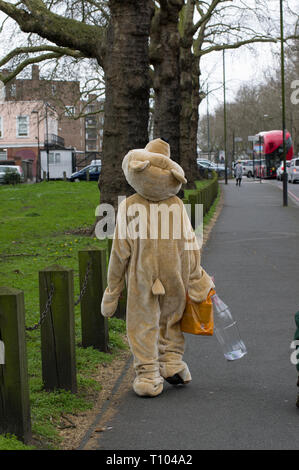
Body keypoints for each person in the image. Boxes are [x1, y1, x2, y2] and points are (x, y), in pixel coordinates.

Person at [101, 138, 215, 397]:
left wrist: (113, 288)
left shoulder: (128, 206)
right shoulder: (176, 205)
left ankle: (149, 372)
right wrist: (196, 277)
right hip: (175, 274)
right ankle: (170, 361)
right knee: (171, 318)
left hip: (142, 276)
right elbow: (190, 243)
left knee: (142, 322)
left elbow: (120, 252)